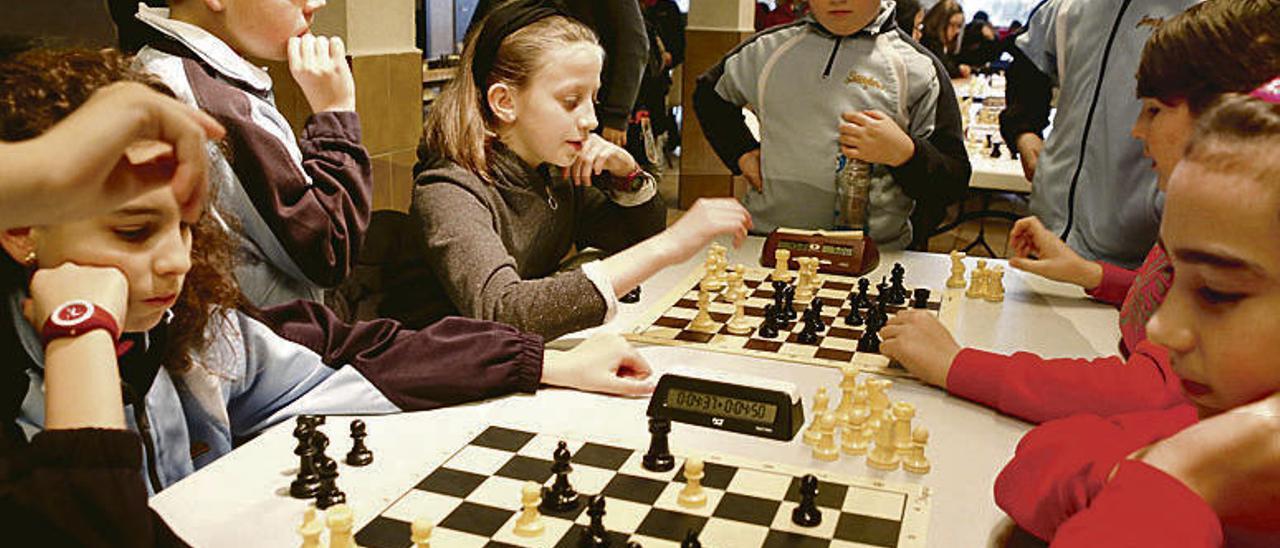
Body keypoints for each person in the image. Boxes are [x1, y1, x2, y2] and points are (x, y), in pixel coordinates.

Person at [0, 46, 657, 544]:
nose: (175, 260)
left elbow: (361, 357)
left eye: (185, 225)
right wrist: (80, 334)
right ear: (21, 226)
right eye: (133, 230)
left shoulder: (196, 329)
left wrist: (545, 363)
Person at [879, 0, 1280, 424]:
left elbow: (1151, 390)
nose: (1136, 130)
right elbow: (1159, 295)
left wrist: (956, 365)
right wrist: (1090, 274)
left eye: (1155, 111)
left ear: (1230, 114)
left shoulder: (1233, 228)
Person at [993, 89, 1280, 547]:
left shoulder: (1203, 453)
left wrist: (1181, 472)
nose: (1162, 327)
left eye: (1217, 291)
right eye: (1175, 277)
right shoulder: (1210, 425)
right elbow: (1031, 466)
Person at [382, 1, 751, 340]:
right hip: (425, 372)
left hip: (502, 363)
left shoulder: (553, 171)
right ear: (504, 102)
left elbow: (632, 241)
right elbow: (503, 311)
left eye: (594, 99)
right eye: (571, 101)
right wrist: (672, 244)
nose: (591, 119)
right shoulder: (449, 189)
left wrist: (627, 175)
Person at [124, 1, 373, 307]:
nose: (316, 3)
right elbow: (329, 252)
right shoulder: (213, 105)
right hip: (275, 341)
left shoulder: (163, 66)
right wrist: (335, 113)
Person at [694, 0, 970, 250]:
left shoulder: (919, 68)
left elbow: (953, 179)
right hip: (766, 244)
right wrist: (741, 151)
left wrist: (906, 154)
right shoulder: (766, 50)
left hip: (873, 256)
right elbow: (709, 96)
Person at [999, 0, 1200, 269]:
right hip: (1046, 236)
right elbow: (1027, 63)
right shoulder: (1068, 6)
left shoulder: (1207, 17)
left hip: (1138, 258)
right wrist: (1024, 131)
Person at [470, 0, 648, 147]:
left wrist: (616, 115)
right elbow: (479, 37)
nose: (589, 119)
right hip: (511, 101)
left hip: (589, 105)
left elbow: (633, 43)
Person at [920, 0, 969, 78]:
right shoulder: (928, 42)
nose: (957, 31)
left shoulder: (945, 44)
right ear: (940, 22)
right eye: (953, 25)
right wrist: (958, 70)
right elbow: (943, 70)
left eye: (959, 26)